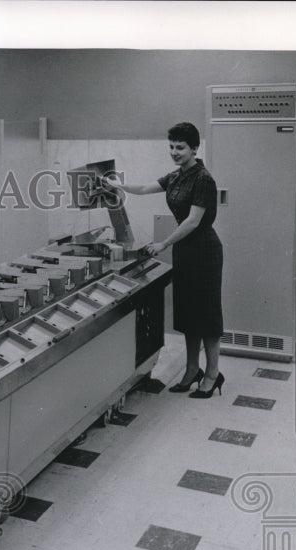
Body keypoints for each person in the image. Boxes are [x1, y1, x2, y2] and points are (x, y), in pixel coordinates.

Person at [104, 122, 225, 399]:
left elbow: (194, 221)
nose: (174, 152)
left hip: (204, 251)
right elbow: (146, 188)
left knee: (206, 316)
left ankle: (213, 373)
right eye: (171, 146)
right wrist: (117, 184)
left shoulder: (203, 178)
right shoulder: (177, 175)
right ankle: (192, 369)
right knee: (188, 314)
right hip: (185, 251)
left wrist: (163, 243)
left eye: (180, 147)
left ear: (194, 148)